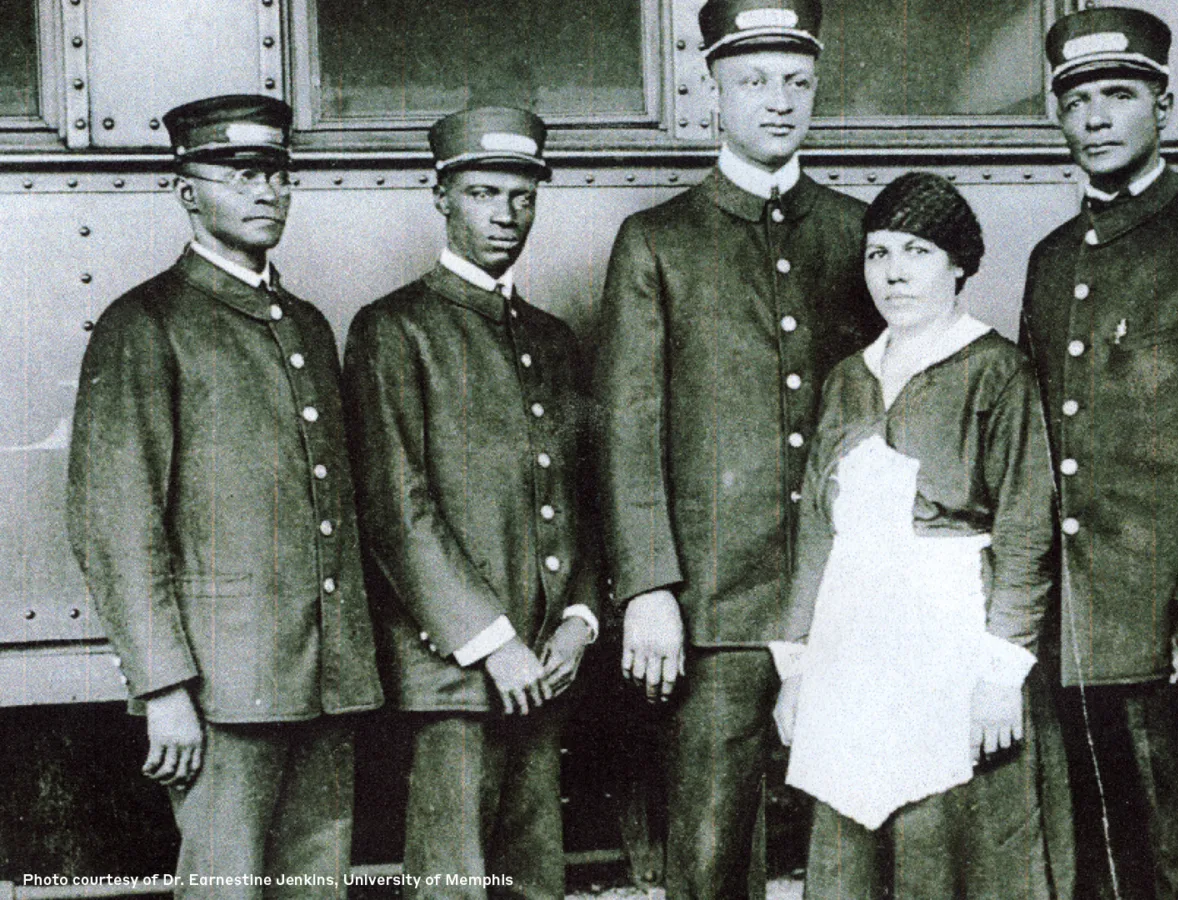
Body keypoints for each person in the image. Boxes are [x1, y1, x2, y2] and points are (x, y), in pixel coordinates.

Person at [594, 1, 881, 895]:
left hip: (844, 595)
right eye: (754, 81)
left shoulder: (859, 233)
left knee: (856, 837)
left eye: (797, 81)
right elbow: (628, 430)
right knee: (712, 853)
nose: (779, 101)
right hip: (717, 608)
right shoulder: (657, 240)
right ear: (711, 88)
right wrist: (649, 589)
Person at [65, 94, 381, 897]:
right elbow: (116, 524)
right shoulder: (146, 323)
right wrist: (163, 687)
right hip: (222, 687)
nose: (266, 192)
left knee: (316, 887)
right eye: (241, 175)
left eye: (278, 173)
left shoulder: (304, 323)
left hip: (320, 682)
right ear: (186, 191)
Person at [1020, 8, 1178, 898]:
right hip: (1075, 625)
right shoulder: (1054, 259)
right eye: (1076, 100)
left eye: (1119, 95)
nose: (1095, 118)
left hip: (1172, 622)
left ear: (1163, 105)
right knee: (1097, 861)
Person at [770, 171, 1055, 899]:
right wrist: (796, 670)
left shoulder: (996, 371)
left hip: (950, 642)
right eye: (878, 253)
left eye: (918, 251)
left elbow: (1026, 525)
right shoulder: (847, 379)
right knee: (848, 845)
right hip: (851, 644)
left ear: (959, 263)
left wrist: (1000, 675)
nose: (894, 272)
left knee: (944, 846)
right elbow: (816, 533)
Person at [342, 107, 600, 899]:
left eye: (522, 198)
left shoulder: (551, 338)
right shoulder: (394, 329)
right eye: (484, 194)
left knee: (535, 881)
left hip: (544, 664)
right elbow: (395, 509)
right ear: (442, 197)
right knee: (450, 884)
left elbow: (583, 497)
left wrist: (581, 622)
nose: (505, 216)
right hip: (455, 672)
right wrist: (493, 643)